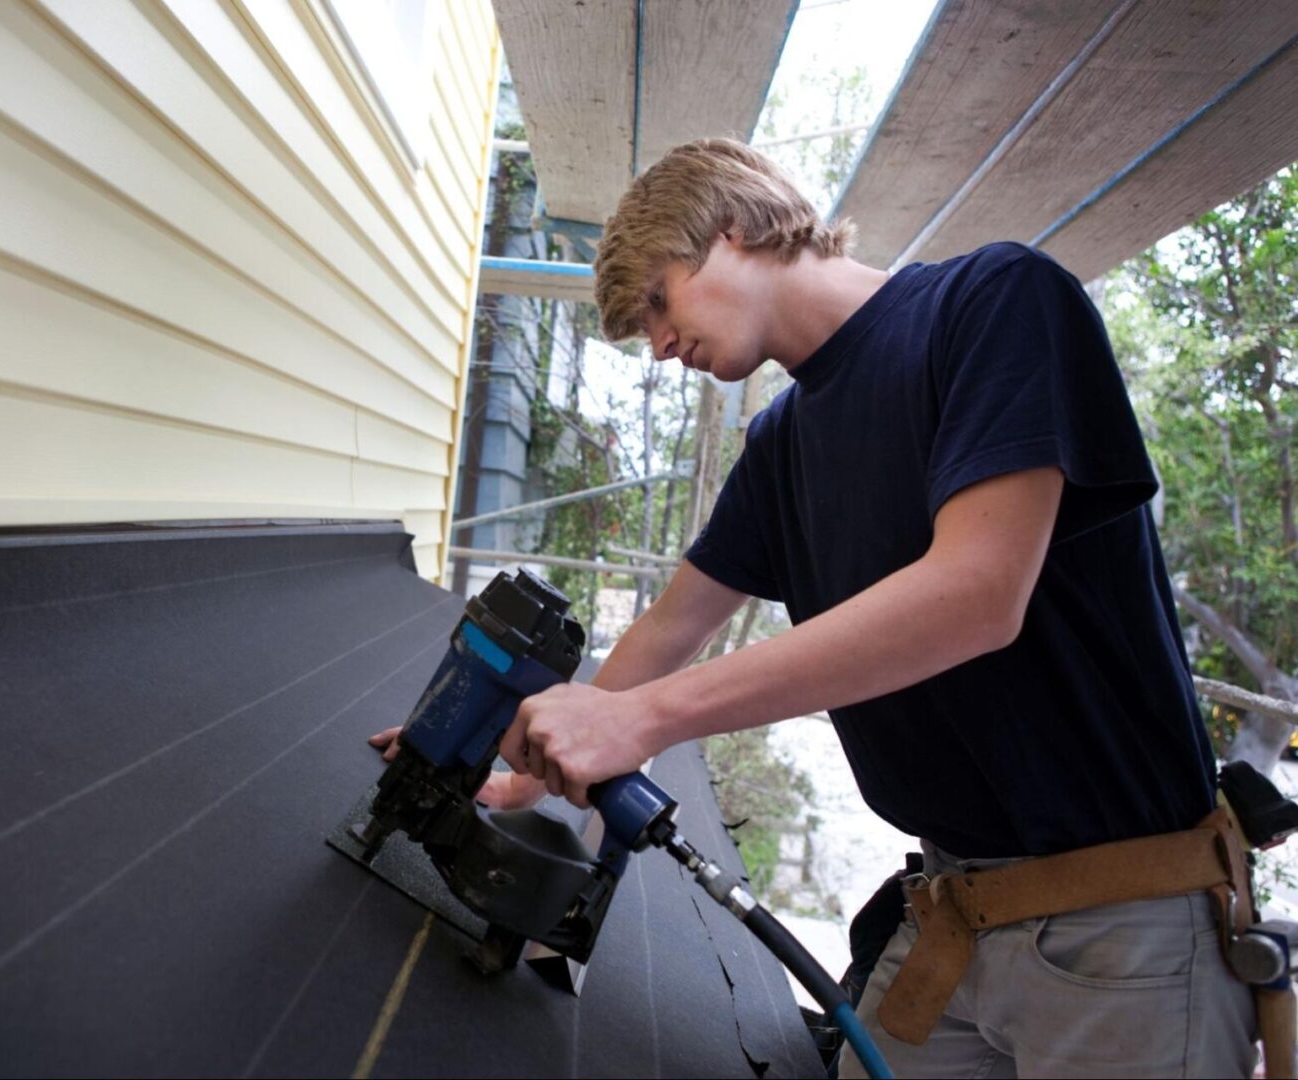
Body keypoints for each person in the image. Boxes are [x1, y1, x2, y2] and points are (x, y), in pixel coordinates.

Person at [370, 138, 1258, 1077]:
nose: (662, 347)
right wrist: (529, 765)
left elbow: (977, 596)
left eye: (661, 303)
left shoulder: (992, 305)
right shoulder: (781, 447)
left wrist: (642, 719)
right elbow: (670, 628)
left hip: (1122, 930)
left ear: (738, 227)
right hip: (955, 912)